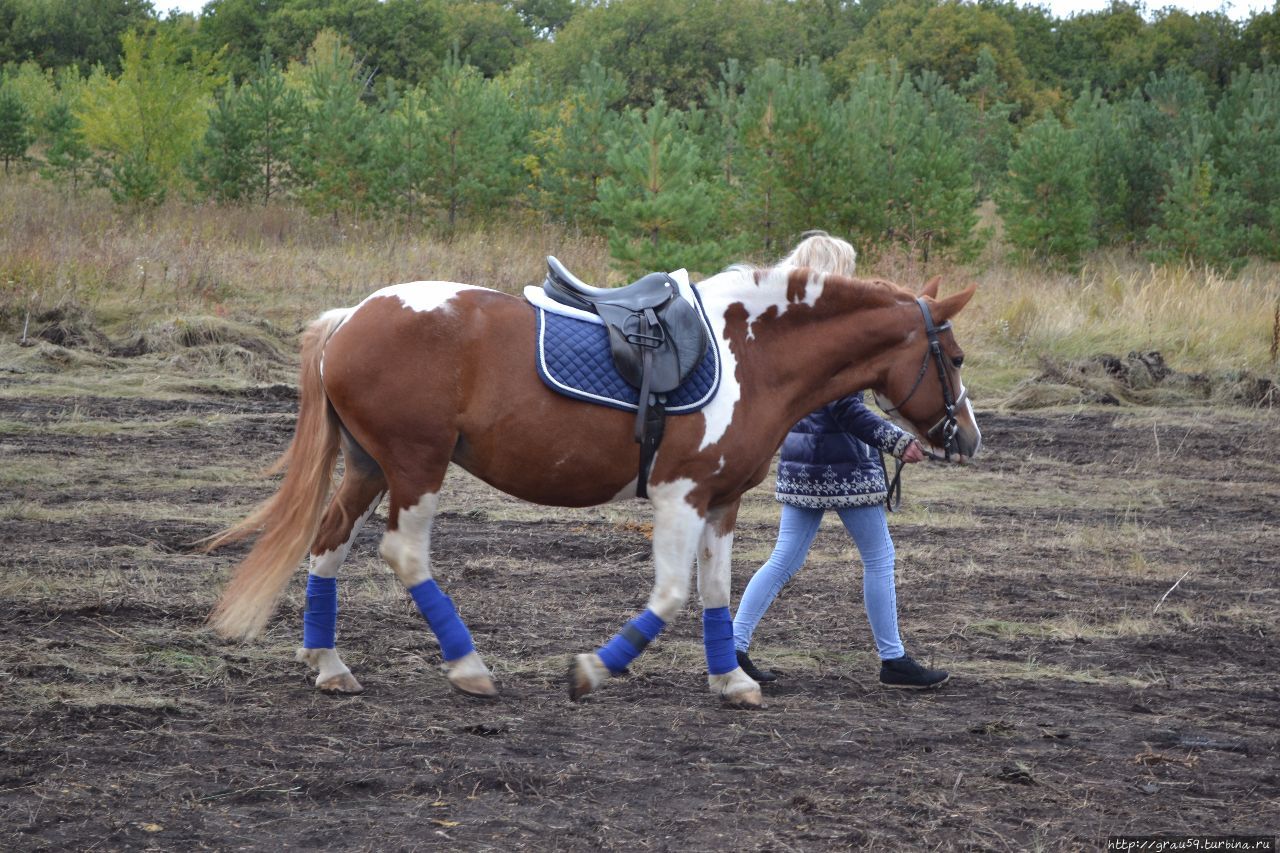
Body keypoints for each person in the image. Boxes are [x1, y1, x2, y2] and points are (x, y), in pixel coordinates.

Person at [732, 232, 950, 690]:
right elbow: (845, 408)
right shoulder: (833, 332)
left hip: (798, 459)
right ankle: (894, 661)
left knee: (784, 558)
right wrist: (896, 440)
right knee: (879, 556)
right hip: (843, 466)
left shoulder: (788, 324)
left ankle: (733, 645)